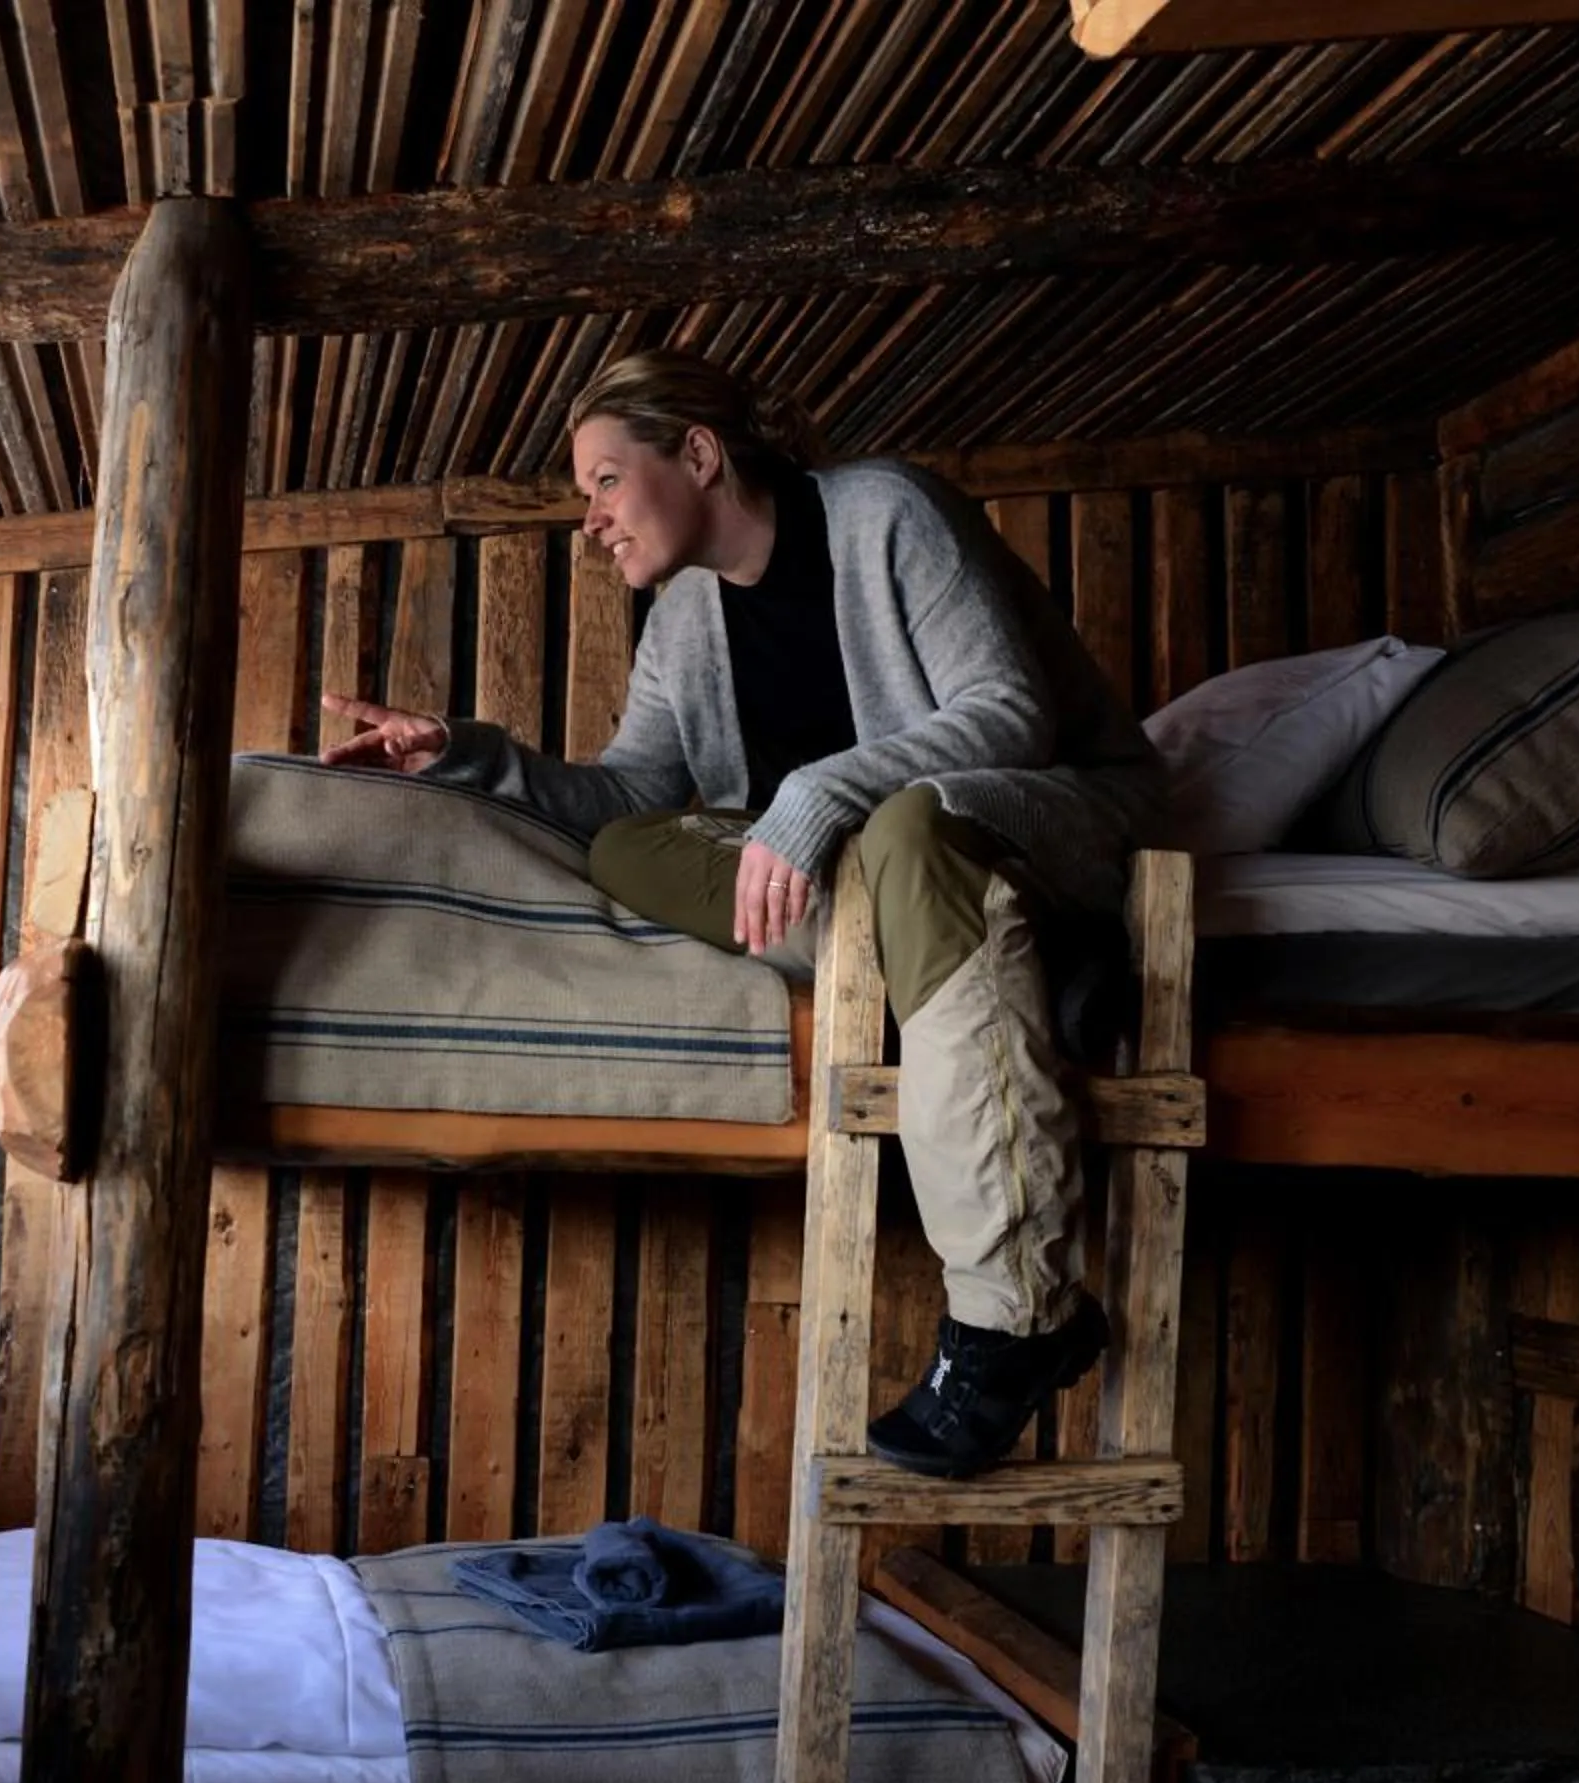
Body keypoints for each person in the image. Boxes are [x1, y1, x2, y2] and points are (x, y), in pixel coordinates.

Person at [319, 350, 1162, 1478]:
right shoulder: (683, 623)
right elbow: (627, 798)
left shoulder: (884, 514)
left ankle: (1016, 1317)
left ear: (701, 455)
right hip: (893, 876)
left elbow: (1007, 712)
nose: (591, 521)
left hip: (1043, 818)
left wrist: (818, 794)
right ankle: (1008, 956)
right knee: (630, 849)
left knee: (905, 830)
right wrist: (465, 752)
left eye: (607, 480)